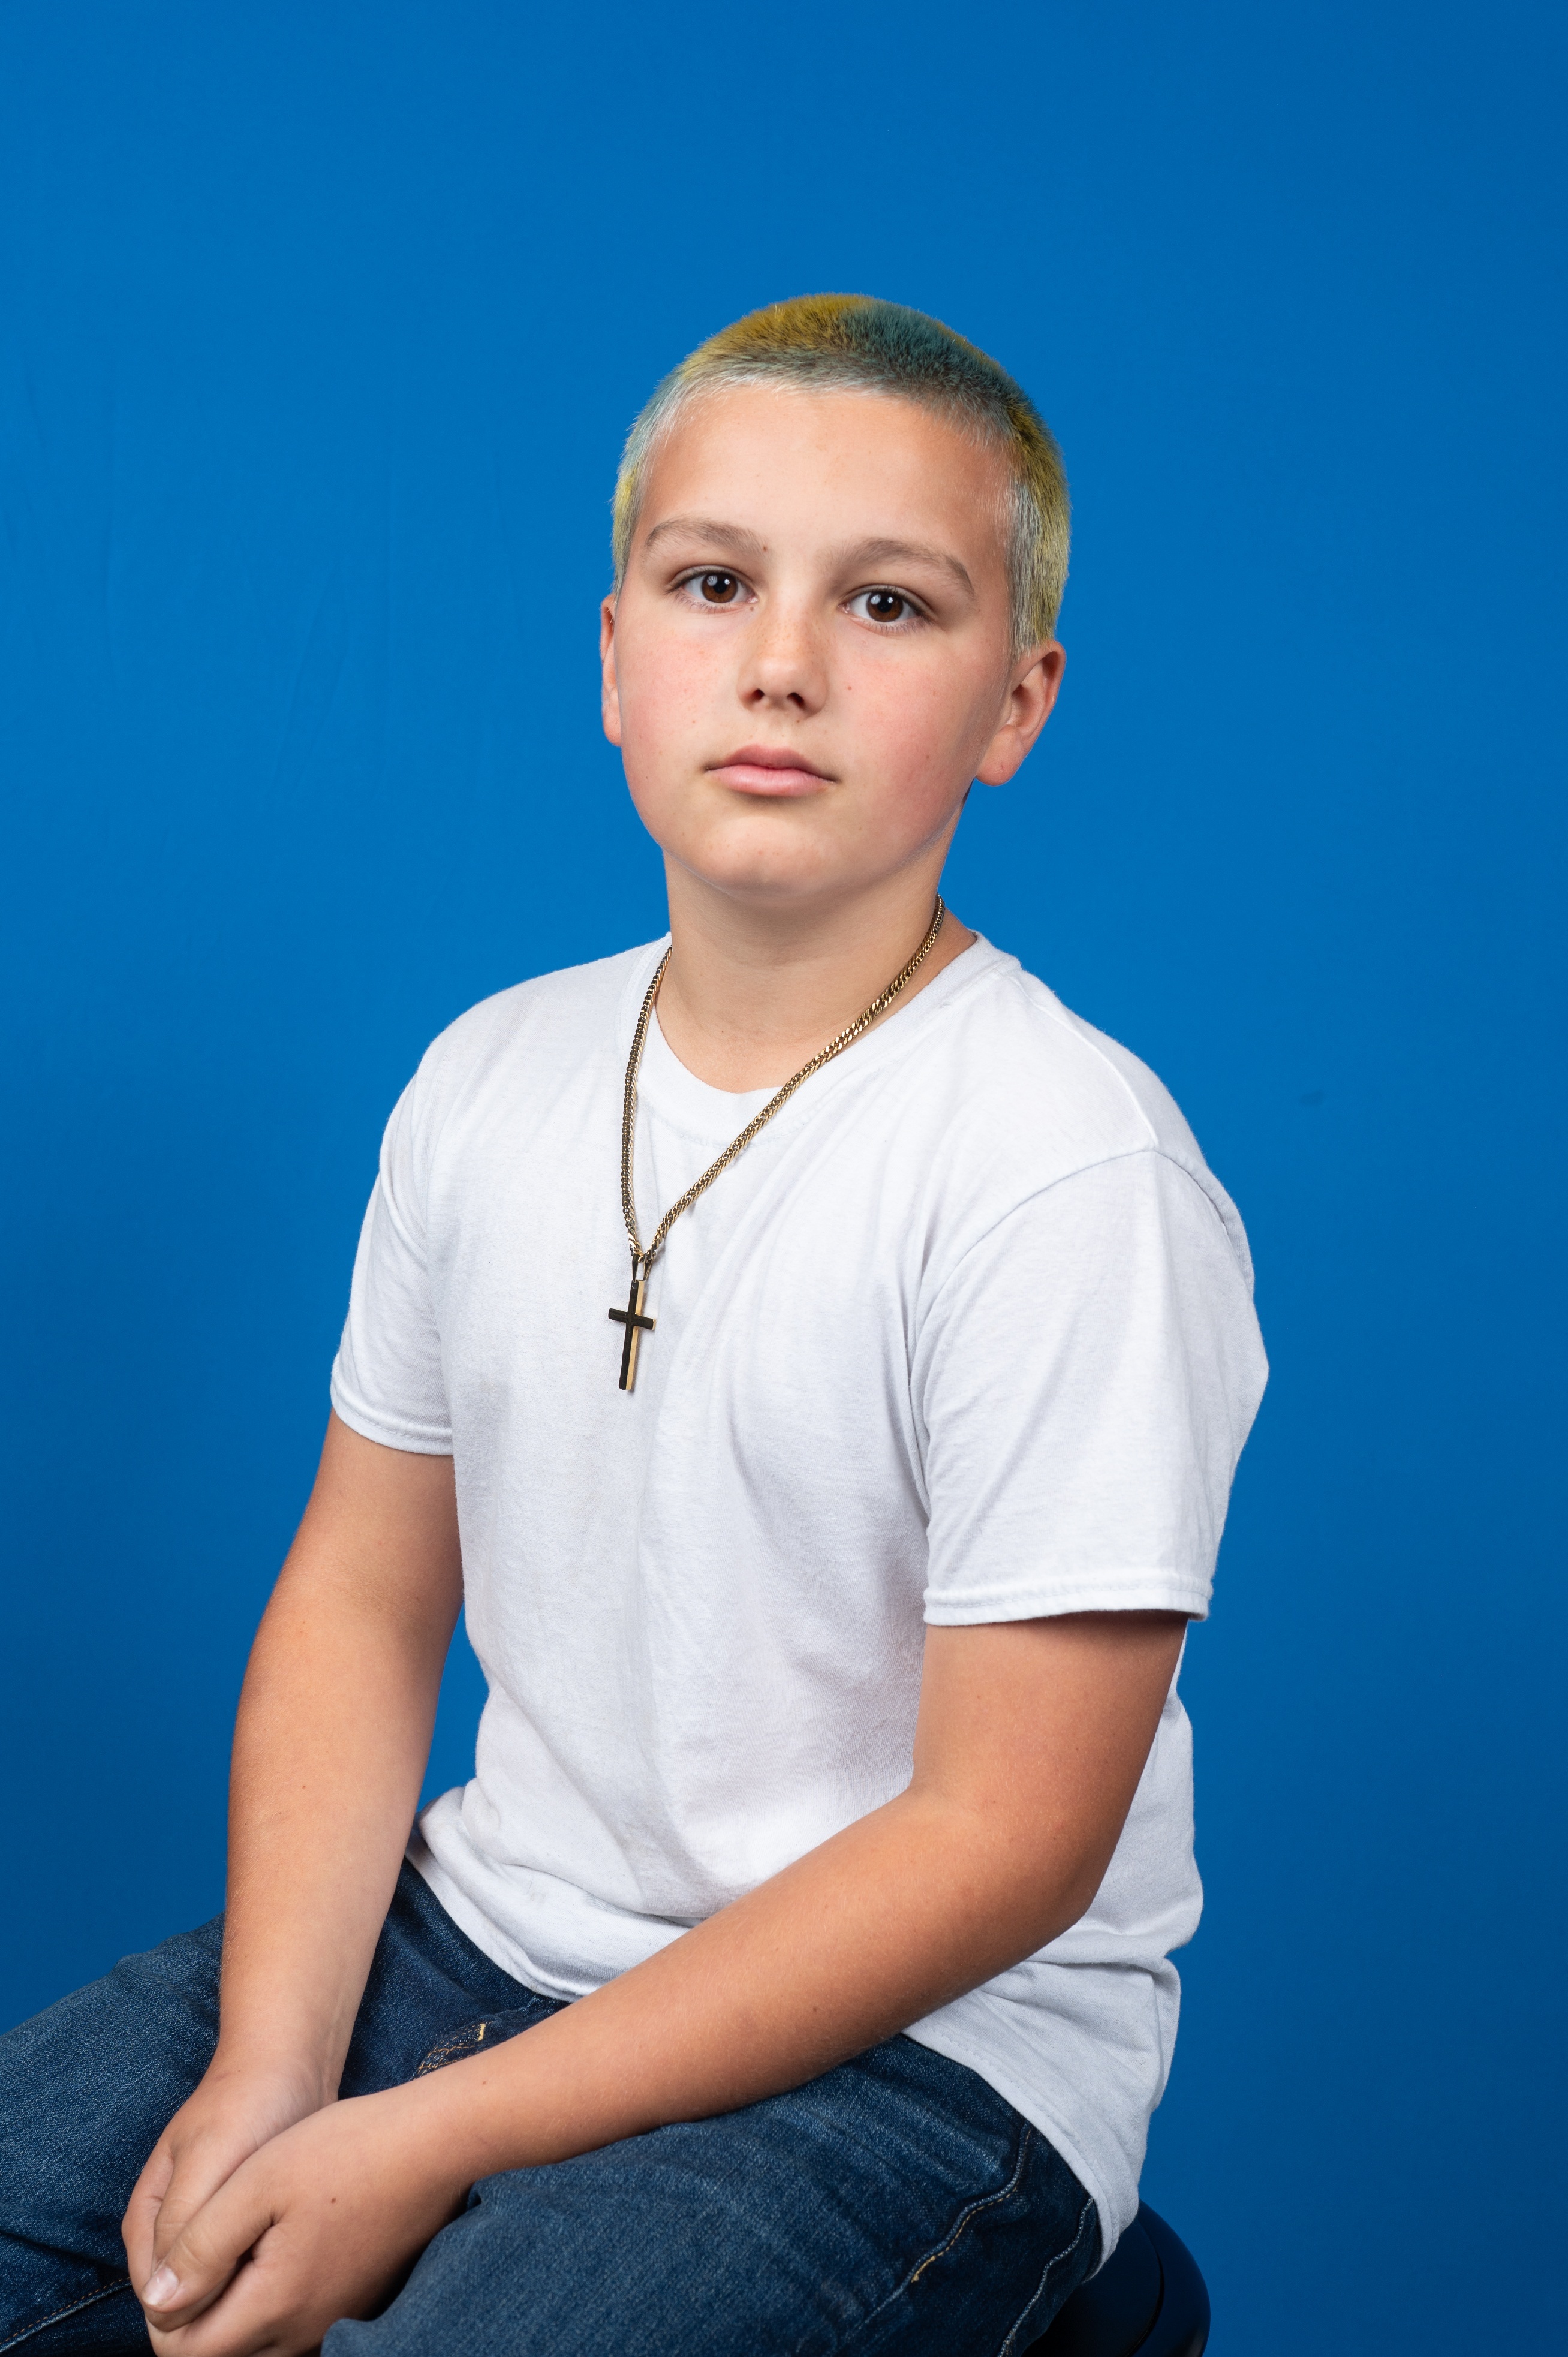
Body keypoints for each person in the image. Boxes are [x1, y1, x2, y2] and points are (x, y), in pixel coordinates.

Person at [0, 295, 1267, 2357]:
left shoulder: (1064, 1168)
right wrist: (275, 2064)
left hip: (925, 2052)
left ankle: (1053, 2295)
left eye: (887, 603)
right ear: (614, 655)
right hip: (481, 1931)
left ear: (1016, 700)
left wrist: (424, 2141)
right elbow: (363, 1600)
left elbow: (1008, 1839)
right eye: (713, 582)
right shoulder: (488, 1075)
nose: (783, 662)